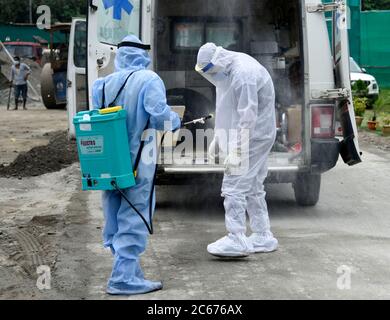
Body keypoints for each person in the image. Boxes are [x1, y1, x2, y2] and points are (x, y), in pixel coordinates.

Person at [92, 35, 181, 295]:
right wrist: (174, 120)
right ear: (143, 55)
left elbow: (99, 121)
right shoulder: (149, 79)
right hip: (139, 160)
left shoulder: (102, 84)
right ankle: (122, 278)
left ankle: (127, 269)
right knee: (135, 214)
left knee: (114, 213)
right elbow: (159, 114)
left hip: (109, 160)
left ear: (119, 56)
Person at [195, 43, 278, 258]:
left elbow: (247, 116)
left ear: (217, 63)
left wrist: (238, 151)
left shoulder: (243, 74)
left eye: (210, 70)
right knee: (253, 186)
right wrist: (218, 139)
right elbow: (226, 108)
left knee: (233, 185)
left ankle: (236, 238)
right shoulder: (228, 70)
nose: (211, 76)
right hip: (254, 135)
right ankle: (262, 235)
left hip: (254, 136)